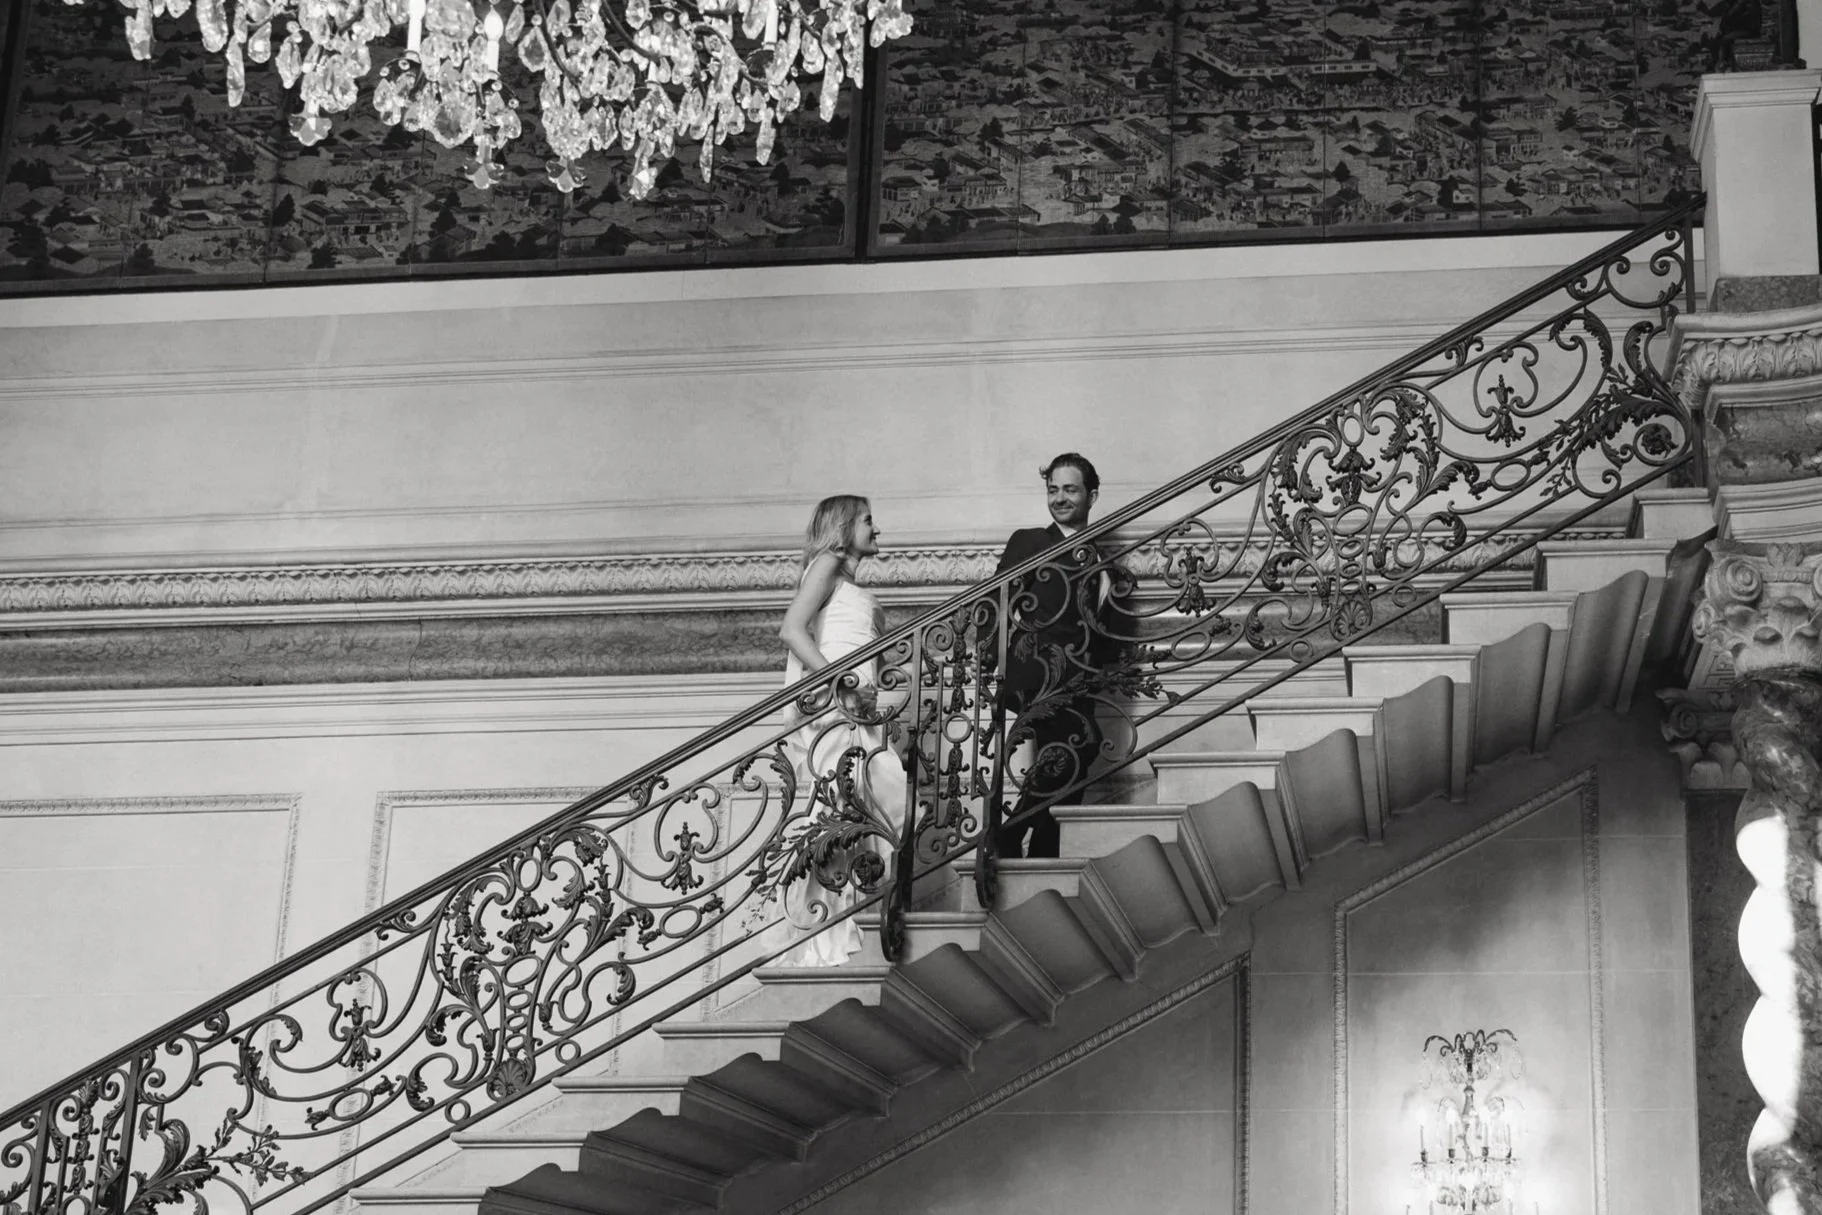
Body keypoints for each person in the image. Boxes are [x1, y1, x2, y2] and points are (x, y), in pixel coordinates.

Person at [771, 494, 907, 967]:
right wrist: (840, 679)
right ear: (845, 525)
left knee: (865, 805)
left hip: (857, 709)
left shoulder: (845, 579)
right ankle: (821, 934)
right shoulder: (827, 562)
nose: (877, 529)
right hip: (837, 709)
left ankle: (840, 923)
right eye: (869, 520)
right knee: (845, 806)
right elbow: (791, 629)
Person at [987, 453, 1128, 860]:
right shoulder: (1030, 541)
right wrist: (987, 663)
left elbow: (1104, 629)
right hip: (1038, 672)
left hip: (1078, 681)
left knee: (1073, 753)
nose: (1060, 498)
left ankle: (1040, 850)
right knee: (1080, 745)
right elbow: (996, 600)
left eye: (1070, 489)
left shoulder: (1103, 560)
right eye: (1053, 489)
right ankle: (1009, 837)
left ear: (1092, 495)